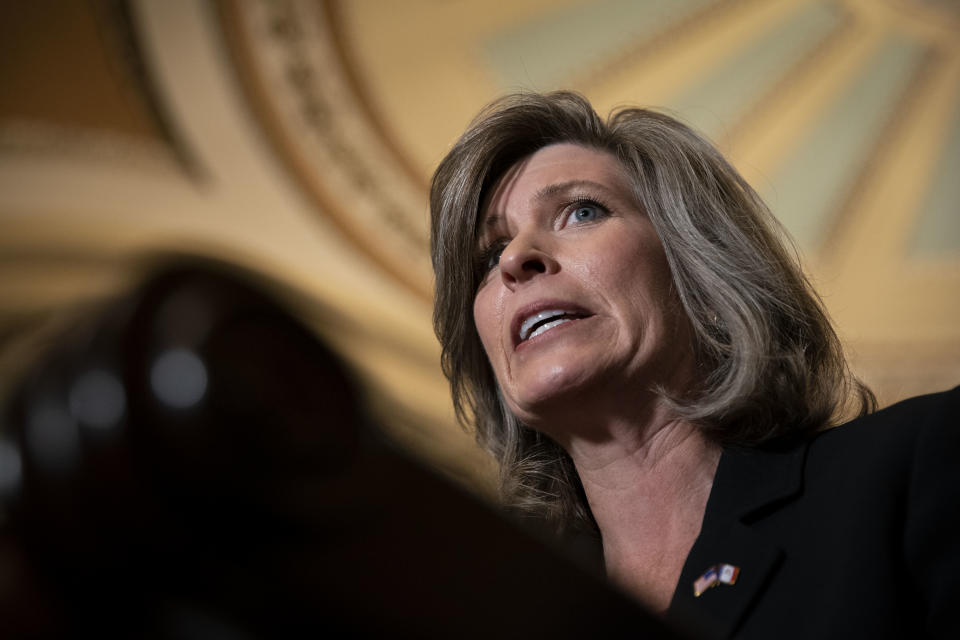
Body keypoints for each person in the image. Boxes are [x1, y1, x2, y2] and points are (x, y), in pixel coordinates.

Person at [429, 91, 960, 639]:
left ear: (702, 274)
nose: (516, 258)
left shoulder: (915, 467)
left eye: (582, 211)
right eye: (490, 256)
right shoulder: (494, 615)